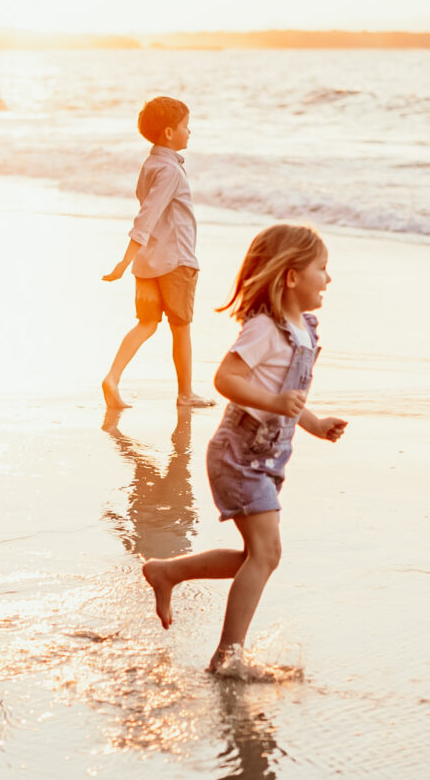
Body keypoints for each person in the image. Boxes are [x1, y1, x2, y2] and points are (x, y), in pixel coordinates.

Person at [142, 223, 347, 673]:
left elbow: (285, 395)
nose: (328, 279)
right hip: (240, 458)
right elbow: (226, 380)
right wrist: (276, 402)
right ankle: (227, 655)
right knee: (267, 554)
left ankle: (167, 572)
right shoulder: (265, 329)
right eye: (322, 268)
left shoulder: (303, 330)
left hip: (265, 458)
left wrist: (313, 423)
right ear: (291, 276)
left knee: (256, 557)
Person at [101, 95, 215, 410]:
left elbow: (146, 209)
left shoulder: (150, 164)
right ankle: (186, 394)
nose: (189, 132)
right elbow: (147, 215)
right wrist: (123, 260)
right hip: (175, 260)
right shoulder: (171, 171)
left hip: (148, 262)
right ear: (168, 132)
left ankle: (113, 377)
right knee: (181, 327)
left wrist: (133, 260)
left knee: (146, 323)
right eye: (185, 126)